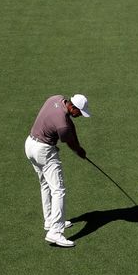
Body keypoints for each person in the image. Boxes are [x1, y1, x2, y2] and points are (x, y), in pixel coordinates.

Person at [24, 94, 90, 248]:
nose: (79, 115)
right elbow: (69, 140)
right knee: (59, 190)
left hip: (30, 145)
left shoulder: (56, 98)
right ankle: (55, 232)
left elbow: (70, 126)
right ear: (73, 107)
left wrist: (79, 146)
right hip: (44, 151)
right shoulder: (62, 125)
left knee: (45, 185)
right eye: (79, 112)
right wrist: (79, 151)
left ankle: (50, 221)